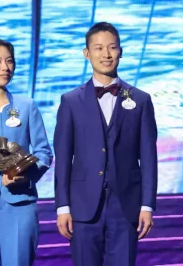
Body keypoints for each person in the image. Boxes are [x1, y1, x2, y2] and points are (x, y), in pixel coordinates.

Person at [54, 22, 158, 266]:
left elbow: (149, 157)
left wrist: (147, 205)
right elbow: (63, 158)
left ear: (121, 51)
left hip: (126, 206)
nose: (106, 54)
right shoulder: (71, 101)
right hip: (82, 208)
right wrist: (62, 207)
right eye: (99, 48)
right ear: (86, 53)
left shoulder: (141, 100)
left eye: (112, 47)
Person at [0, 38, 53, 266]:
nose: (6, 67)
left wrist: (26, 174)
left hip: (20, 203)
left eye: (9, 61)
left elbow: (44, 151)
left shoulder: (26, 106)